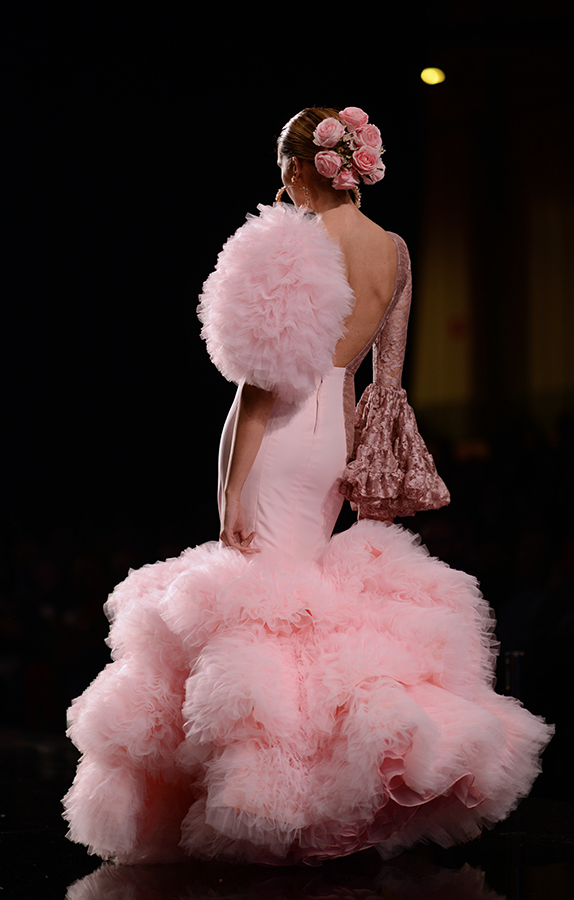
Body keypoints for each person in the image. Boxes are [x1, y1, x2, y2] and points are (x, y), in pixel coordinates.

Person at [63, 107, 553, 866]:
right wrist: (357, 457)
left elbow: (260, 387)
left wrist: (230, 493)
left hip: (282, 438)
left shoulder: (294, 239)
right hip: (335, 440)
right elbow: (384, 378)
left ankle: (271, 798)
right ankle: (312, 790)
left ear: (299, 167)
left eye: (281, 167)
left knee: (260, 606)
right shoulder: (393, 249)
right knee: (299, 601)